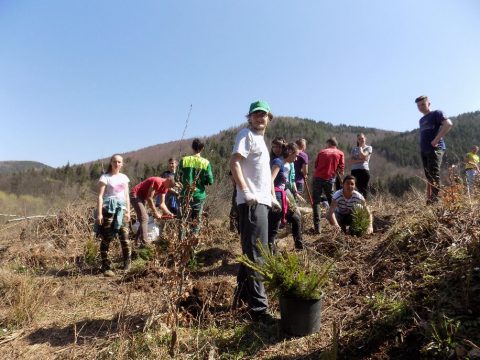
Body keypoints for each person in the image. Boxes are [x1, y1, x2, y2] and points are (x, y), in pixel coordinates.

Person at [230, 100, 273, 320]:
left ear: (269, 118)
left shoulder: (261, 142)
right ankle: (259, 311)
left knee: (253, 252)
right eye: (256, 114)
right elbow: (235, 163)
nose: (260, 118)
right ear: (250, 117)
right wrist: (246, 191)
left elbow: (262, 175)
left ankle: (241, 300)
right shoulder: (245, 135)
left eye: (263, 114)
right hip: (251, 203)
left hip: (262, 202)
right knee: (258, 256)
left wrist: (271, 197)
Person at [95, 154, 131, 277]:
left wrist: (128, 211)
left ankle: (127, 264)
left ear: (122, 164)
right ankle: (105, 265)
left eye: (119, 162)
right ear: (111, 162)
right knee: (107, 237)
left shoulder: (124, 178)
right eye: (115, 161)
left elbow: (126, 196)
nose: (117, 164)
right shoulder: (105, 177)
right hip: (109, 209)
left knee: (125, 236)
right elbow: (100, 196)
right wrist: (99, 213)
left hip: (122, 209)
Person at [415, 95, 453, 204]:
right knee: (428, 175)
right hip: (424, 150)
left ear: (428, 104)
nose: (421, 107)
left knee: (433, 173)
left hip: (436, 148)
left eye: (423, 104)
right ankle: (431, 198)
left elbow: (448, 124)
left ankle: (437, 199)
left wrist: (436, 139)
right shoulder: (421, 120)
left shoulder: (437, 113)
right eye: (418, 105)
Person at [269, 141, 303, 251]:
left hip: (282, 197)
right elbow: (270, 180)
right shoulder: (278, 162)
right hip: (276, 198)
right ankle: (270, 253)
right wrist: (274, 199)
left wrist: (286, 198)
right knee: (273, 228)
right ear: (290, 152)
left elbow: (281, 185)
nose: (296, 159)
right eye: (296, 155)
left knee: (296, 219)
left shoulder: (283, 164)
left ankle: (299, 247)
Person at [177, 138, 214, 235]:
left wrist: (184, 182)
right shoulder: (205, 162)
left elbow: (177, 177)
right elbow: (210, 181)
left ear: (192, 147)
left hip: (185, 194)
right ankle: (193, 245)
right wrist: (203, 182)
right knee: (196, 220)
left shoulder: (184, 160)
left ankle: (181, 243)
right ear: (202, 148)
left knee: (184, 220)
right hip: (199, 195)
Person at [312, 137, 345, 234]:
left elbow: (316, 166)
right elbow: (341, 169)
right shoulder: (340, 153)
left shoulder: (322, 152)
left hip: (317, 177)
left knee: (316, 202)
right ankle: (336, 225)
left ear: (329, 143)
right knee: (332, 202)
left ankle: (317, 228)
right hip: (329, 179)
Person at [130, 176, 175, 245]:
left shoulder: (165, 188)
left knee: (143, 219)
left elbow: (162, 204)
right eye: (170, 185)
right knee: (145, 218)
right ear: (168, 180)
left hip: (142, 198)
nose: (169, 188)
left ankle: (136, 242)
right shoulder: (157, 181)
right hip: (135, 195)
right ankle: (145, 242)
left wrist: (169, 213)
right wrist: (156, 213)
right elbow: (149, 198)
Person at [350, 133, 372, 198]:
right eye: (359, 139)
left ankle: (364, 206)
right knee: (355, 189)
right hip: (354, 171)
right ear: (357, 140)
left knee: (364, 190)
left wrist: (360, 148)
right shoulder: (354, 149)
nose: (361, 140)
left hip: (364, 171)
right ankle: (355, 205)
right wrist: (361, 160)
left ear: (365, 139)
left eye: (362, 138)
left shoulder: (368, 148)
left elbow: (363, 155)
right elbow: (351, 161)